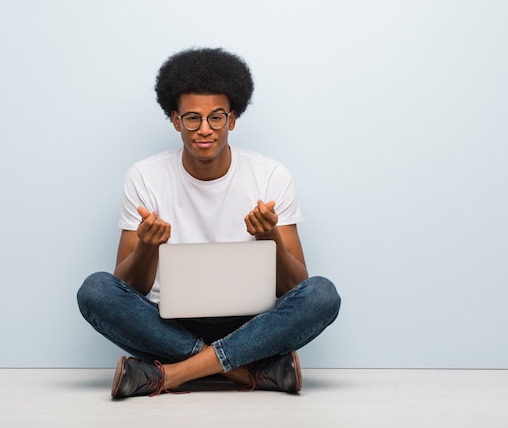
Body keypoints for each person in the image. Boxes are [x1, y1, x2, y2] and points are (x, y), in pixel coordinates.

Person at [76, 47, 341, 399]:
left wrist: (269, 237)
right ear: (175, 119)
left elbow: (296, 287)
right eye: (192, 118)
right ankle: (245, 371)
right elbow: (128, 289)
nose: (205, 130)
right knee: (95, 290)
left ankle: (171, 375)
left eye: (216, 118)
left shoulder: (270, 175)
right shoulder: (144, 176)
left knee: (323, 295)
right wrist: (148, 246)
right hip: (169, 322)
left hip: (250, 323)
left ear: (232, 119)